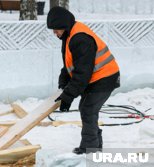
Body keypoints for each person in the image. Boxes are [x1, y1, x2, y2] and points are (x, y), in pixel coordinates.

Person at [47, 7, 120, 154]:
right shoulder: (69, 35)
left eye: (56, 29)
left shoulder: (80, 39)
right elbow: (70, 64)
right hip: (96, 77)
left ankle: (90, 148)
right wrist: (63, 85)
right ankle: (95, 144)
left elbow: (82, 74)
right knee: (87, 109)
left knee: (88, 109)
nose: (54, 33)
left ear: (64, 26)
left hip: (105, 77)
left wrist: (67, 97)